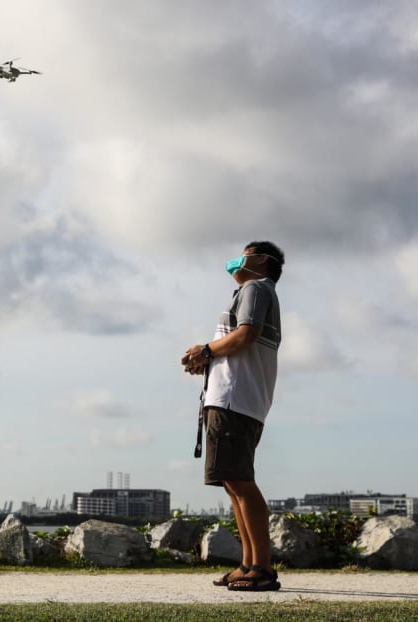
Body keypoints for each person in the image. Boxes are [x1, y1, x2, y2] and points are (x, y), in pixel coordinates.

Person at [181, 240, 284, 592]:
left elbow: (247, 335)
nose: (239, 257)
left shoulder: (256, 287)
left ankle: (262, 568)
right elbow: (238, 344)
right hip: (230, 399)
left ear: (263, 260)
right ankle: (248, 563)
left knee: (241, 482)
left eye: (247, 252)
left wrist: (205, 349)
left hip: (234, 401)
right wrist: (208, 360)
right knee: (232, 483)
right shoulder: (250, 291)